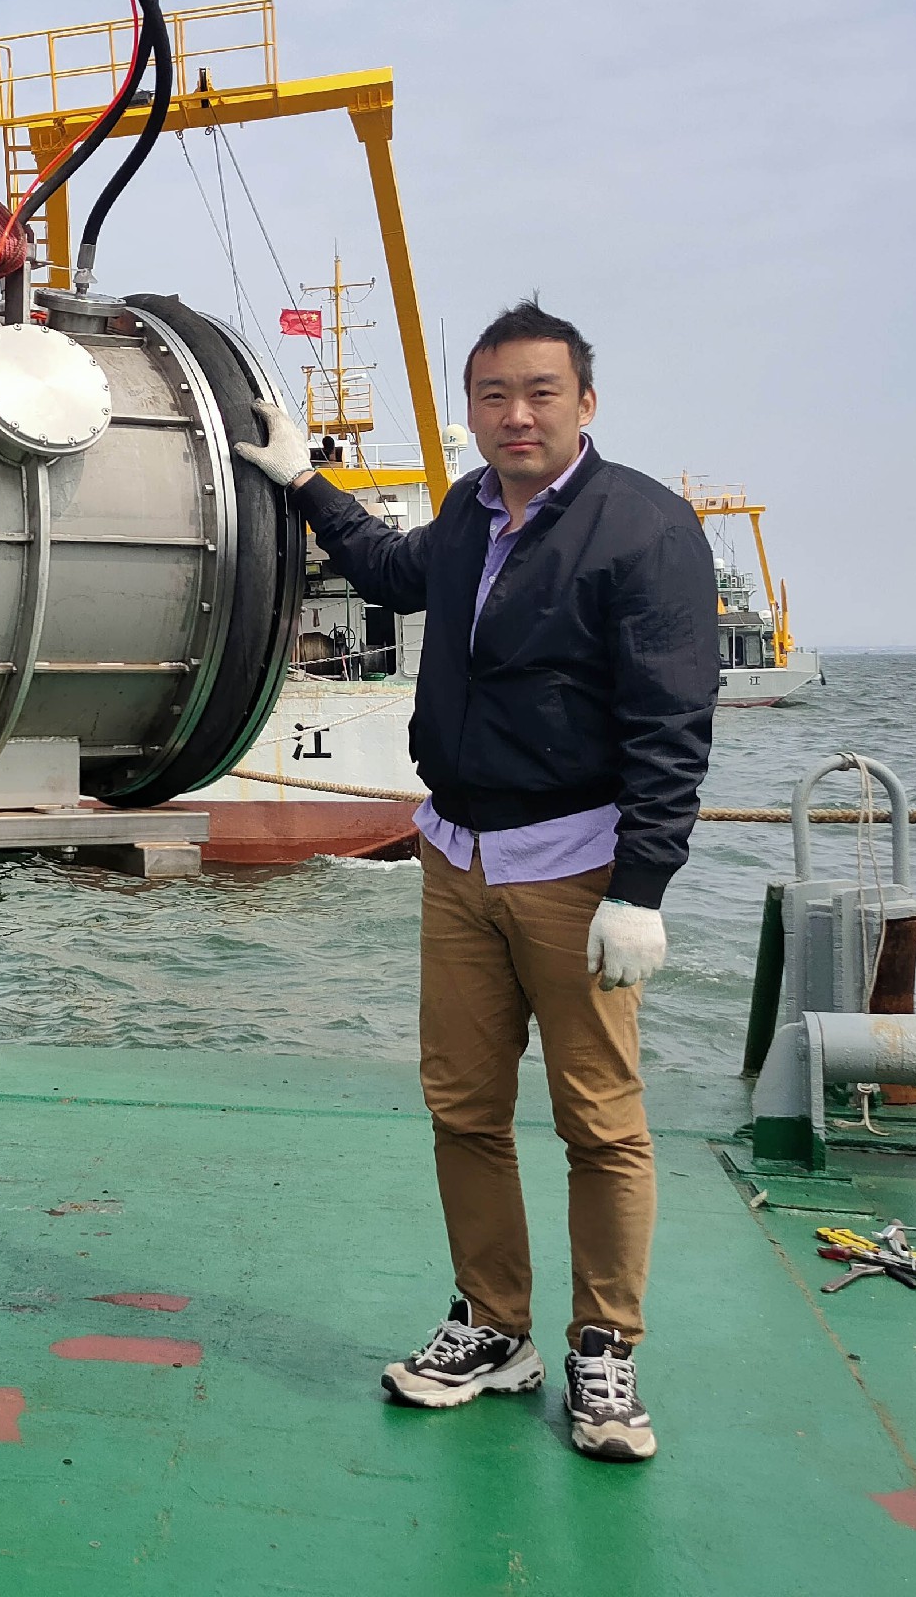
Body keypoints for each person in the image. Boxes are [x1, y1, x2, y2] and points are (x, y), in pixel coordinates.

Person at [237, 300, 717, 1463]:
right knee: (463, 1107)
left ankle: (604, 1347)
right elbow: (386, 570)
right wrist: (303, 482)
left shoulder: (644, 529)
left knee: (599, 1122)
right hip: (453, 859)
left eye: (541, 393)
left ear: (585, 402)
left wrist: (642, 889)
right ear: (471, 409)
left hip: (575, 869)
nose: (517, 416)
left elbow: (671, 726)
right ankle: (495, 1325)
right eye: (494, 396)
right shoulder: (464, 514)